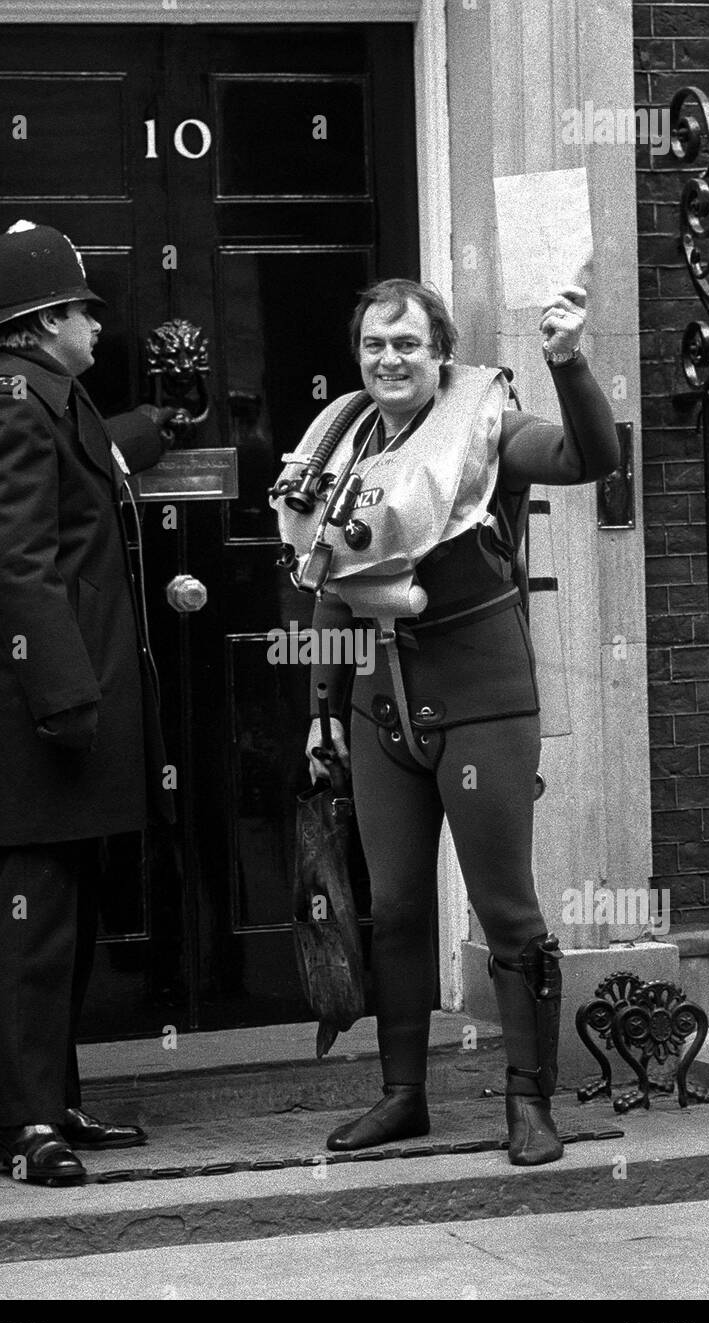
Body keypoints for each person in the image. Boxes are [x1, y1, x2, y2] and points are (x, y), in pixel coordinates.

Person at [271, 276, 620, 1165]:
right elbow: (328, 583)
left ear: (440, 354)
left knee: (507, 912)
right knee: (391, 911)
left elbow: (592, 459)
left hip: (480, 701)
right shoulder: (344, 441)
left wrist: (568, 360)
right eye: (374, 346)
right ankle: (402, 1096)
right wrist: (321, 714)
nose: (389, 361)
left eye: (407, 346)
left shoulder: (486, 428)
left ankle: (529, 1102)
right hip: (378, 706)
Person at [0, 221, 177, 1185]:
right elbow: (16, 562)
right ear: (47, 322)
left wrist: (158, 422)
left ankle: (57, 1097)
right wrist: (63, 698)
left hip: (70, 713)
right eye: (86, 309)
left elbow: (95, 462)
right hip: (42, 716)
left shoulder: (55, 401)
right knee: (33, 926)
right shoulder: (11, 408)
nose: (97, 323)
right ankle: (23, 1128)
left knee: (69, 920)